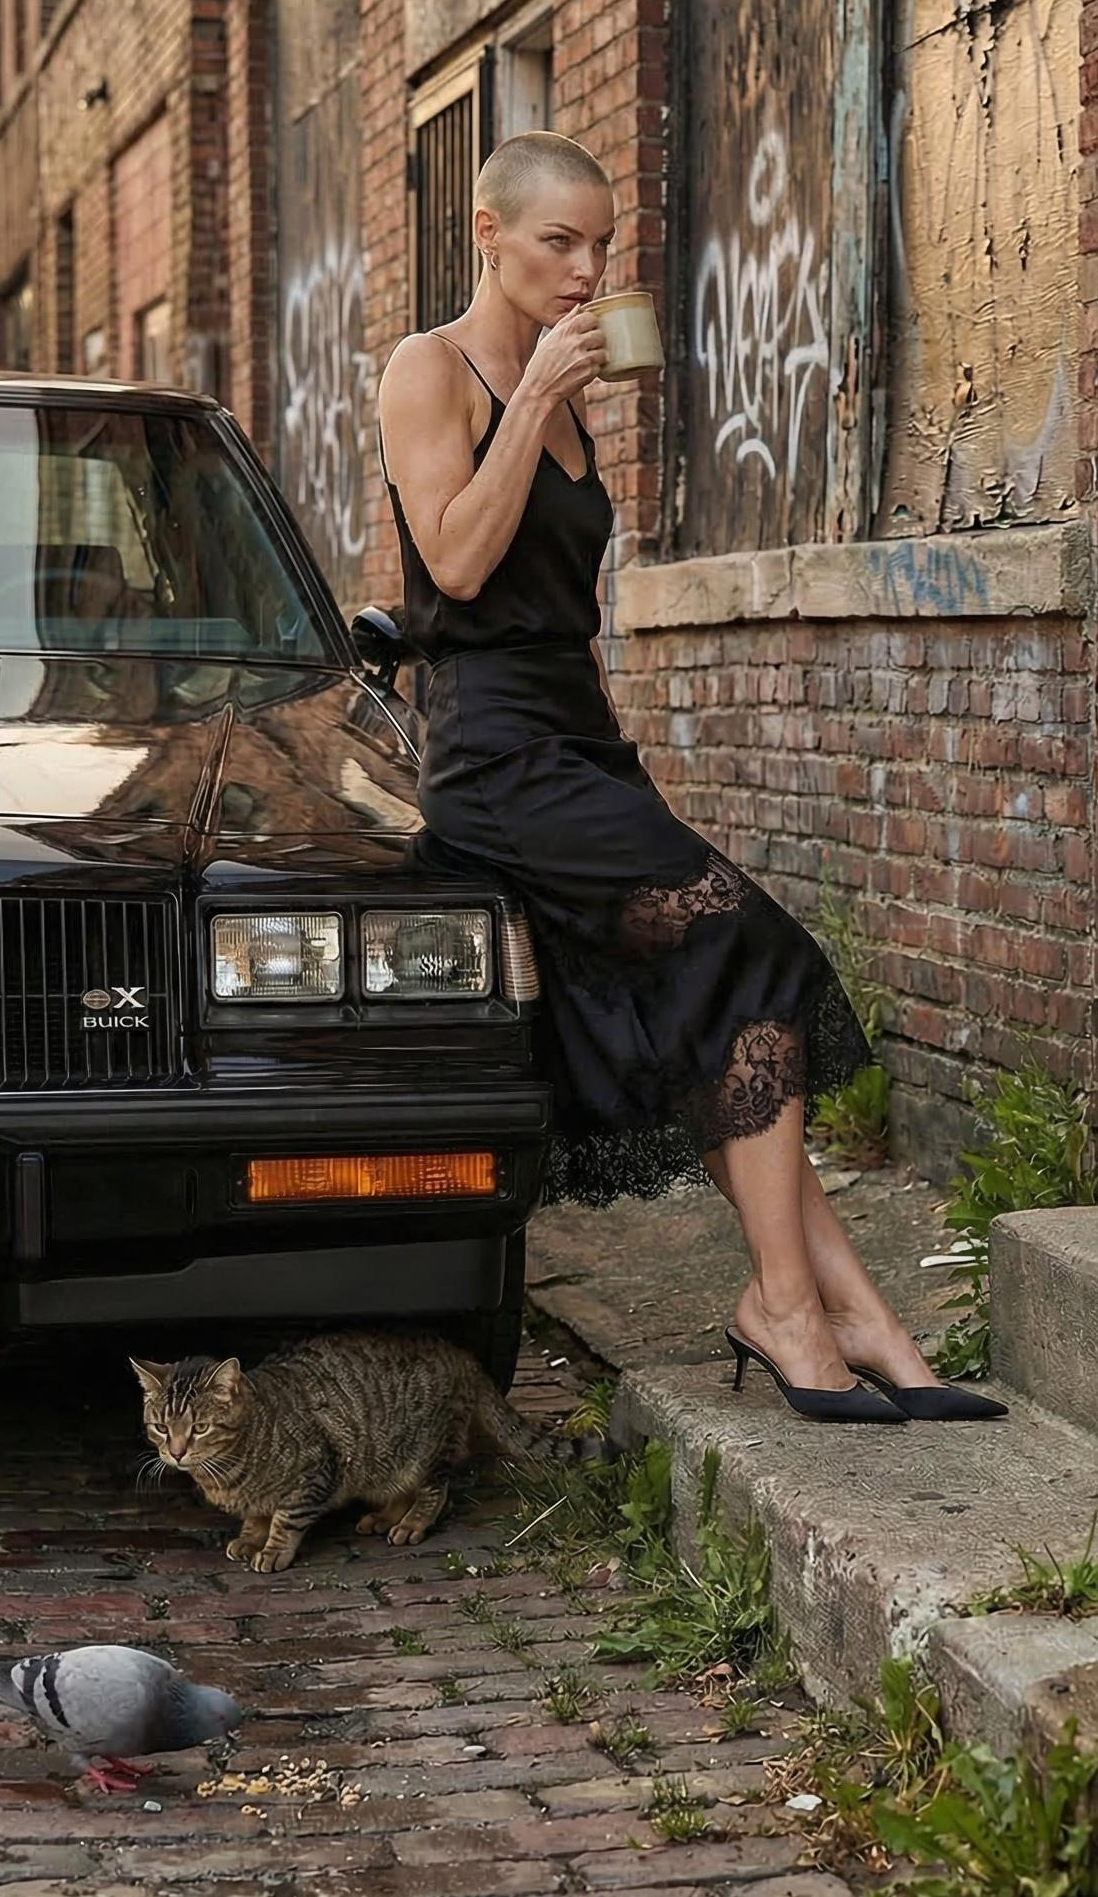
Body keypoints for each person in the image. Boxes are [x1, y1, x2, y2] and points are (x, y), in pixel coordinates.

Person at [376, 130, 1003, 1427]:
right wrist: (538, 398)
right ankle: (792, 1309)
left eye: (602, 247)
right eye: (561, 242)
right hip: (494, 762)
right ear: (488, 233)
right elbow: (454, 566)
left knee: (727, 1003)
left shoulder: (573, 390)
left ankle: (845, 1312)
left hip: (577, 745)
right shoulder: (428, 371)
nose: (587, 269)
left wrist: (619, 765)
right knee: (749, 942)